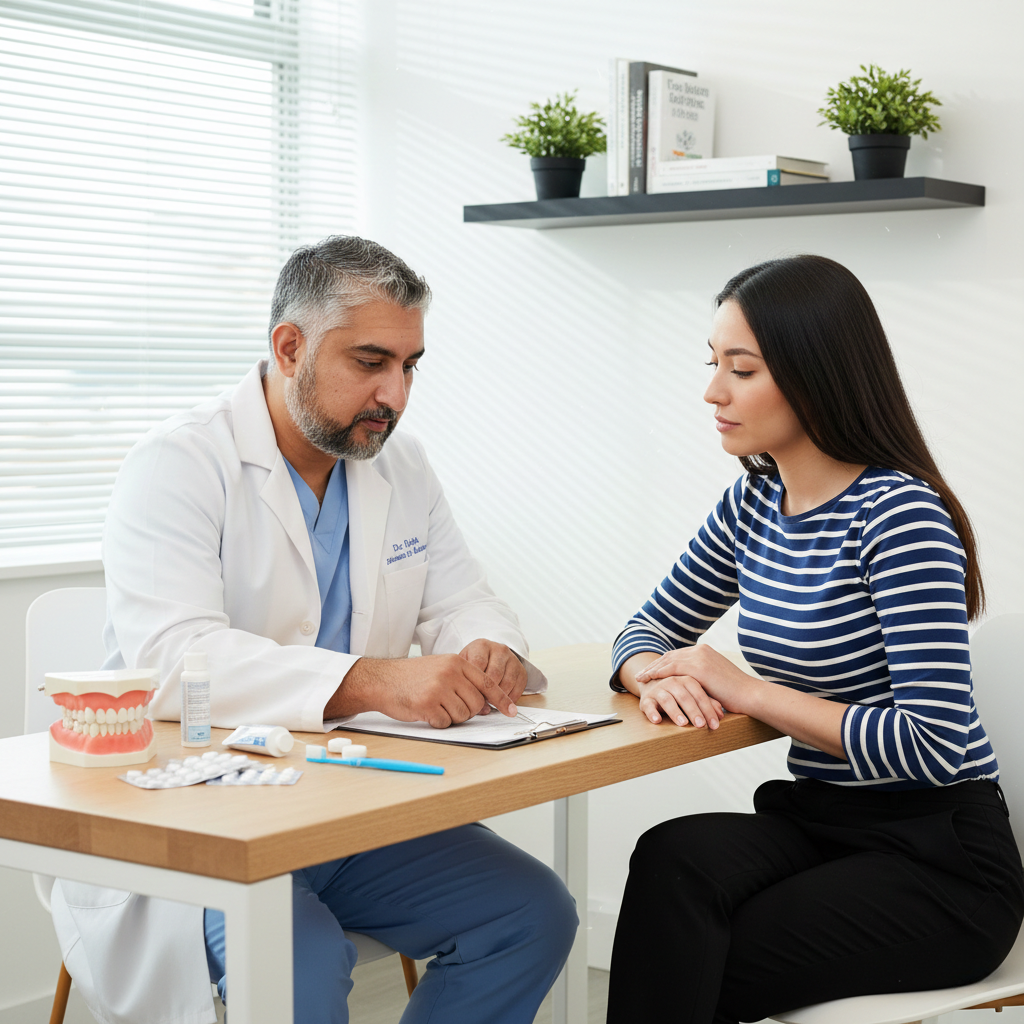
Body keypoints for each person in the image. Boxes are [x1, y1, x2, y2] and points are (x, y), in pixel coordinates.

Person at [50, 236, 577, 1024]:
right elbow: (174, 659)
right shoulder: (180, 462)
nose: (394, 394)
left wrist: (485, 647)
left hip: (342, 806)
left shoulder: (401, 465)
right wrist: (373, 679)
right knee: (297, 963)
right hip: (205, 815)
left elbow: (463, 596)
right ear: (289, 347)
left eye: (410, 366)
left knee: (530, 914)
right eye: (371, 361)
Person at [605, 255, 1024, 1024]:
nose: (713, 391)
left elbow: (931, 745)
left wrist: (746, 689)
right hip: (820, 820)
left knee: (693, 958)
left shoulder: (899, 516)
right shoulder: (755, 501)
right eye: (713, 364)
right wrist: (648, 673)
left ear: (813, 372)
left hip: (940, 858)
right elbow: (645, 627)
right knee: (673, 859)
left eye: (742, 369)